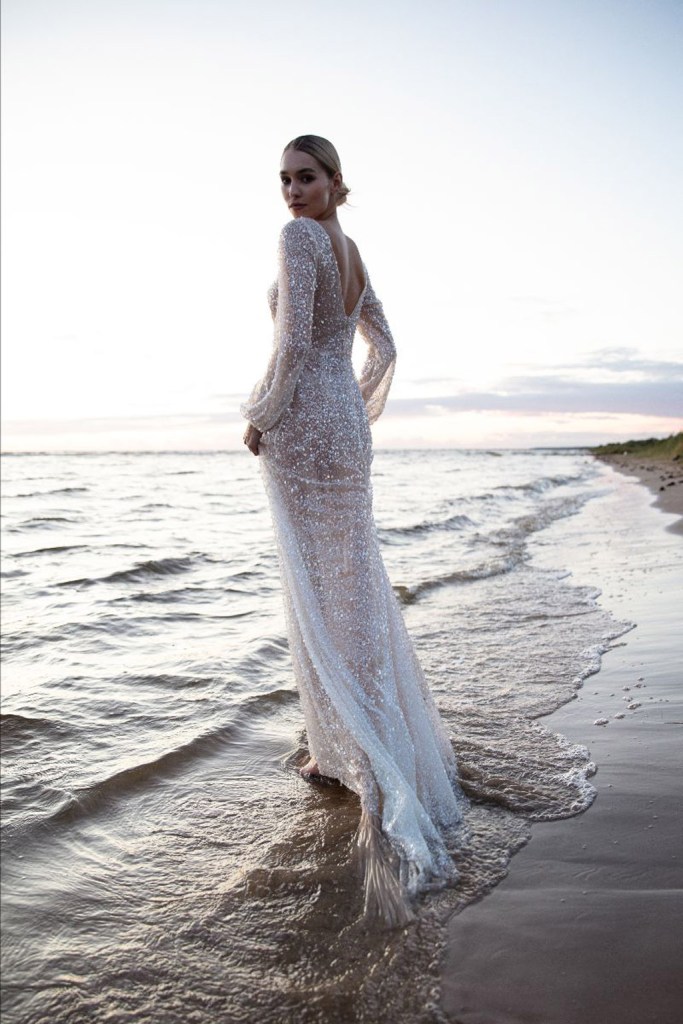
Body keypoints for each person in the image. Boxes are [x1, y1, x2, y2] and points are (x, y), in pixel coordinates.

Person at [241, 135, 465, 926]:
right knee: (352, 582)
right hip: (346, 431)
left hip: (305, 429)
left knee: (315, 588)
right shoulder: (353, 249)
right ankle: (357, 744)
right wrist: (356, 403)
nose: (292, 191)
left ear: (337, 182)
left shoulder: (299, 238)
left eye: (306, 177)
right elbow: (385, 345)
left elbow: (293, 343)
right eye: (284, 180)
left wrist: (261, 416)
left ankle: (343, 751)